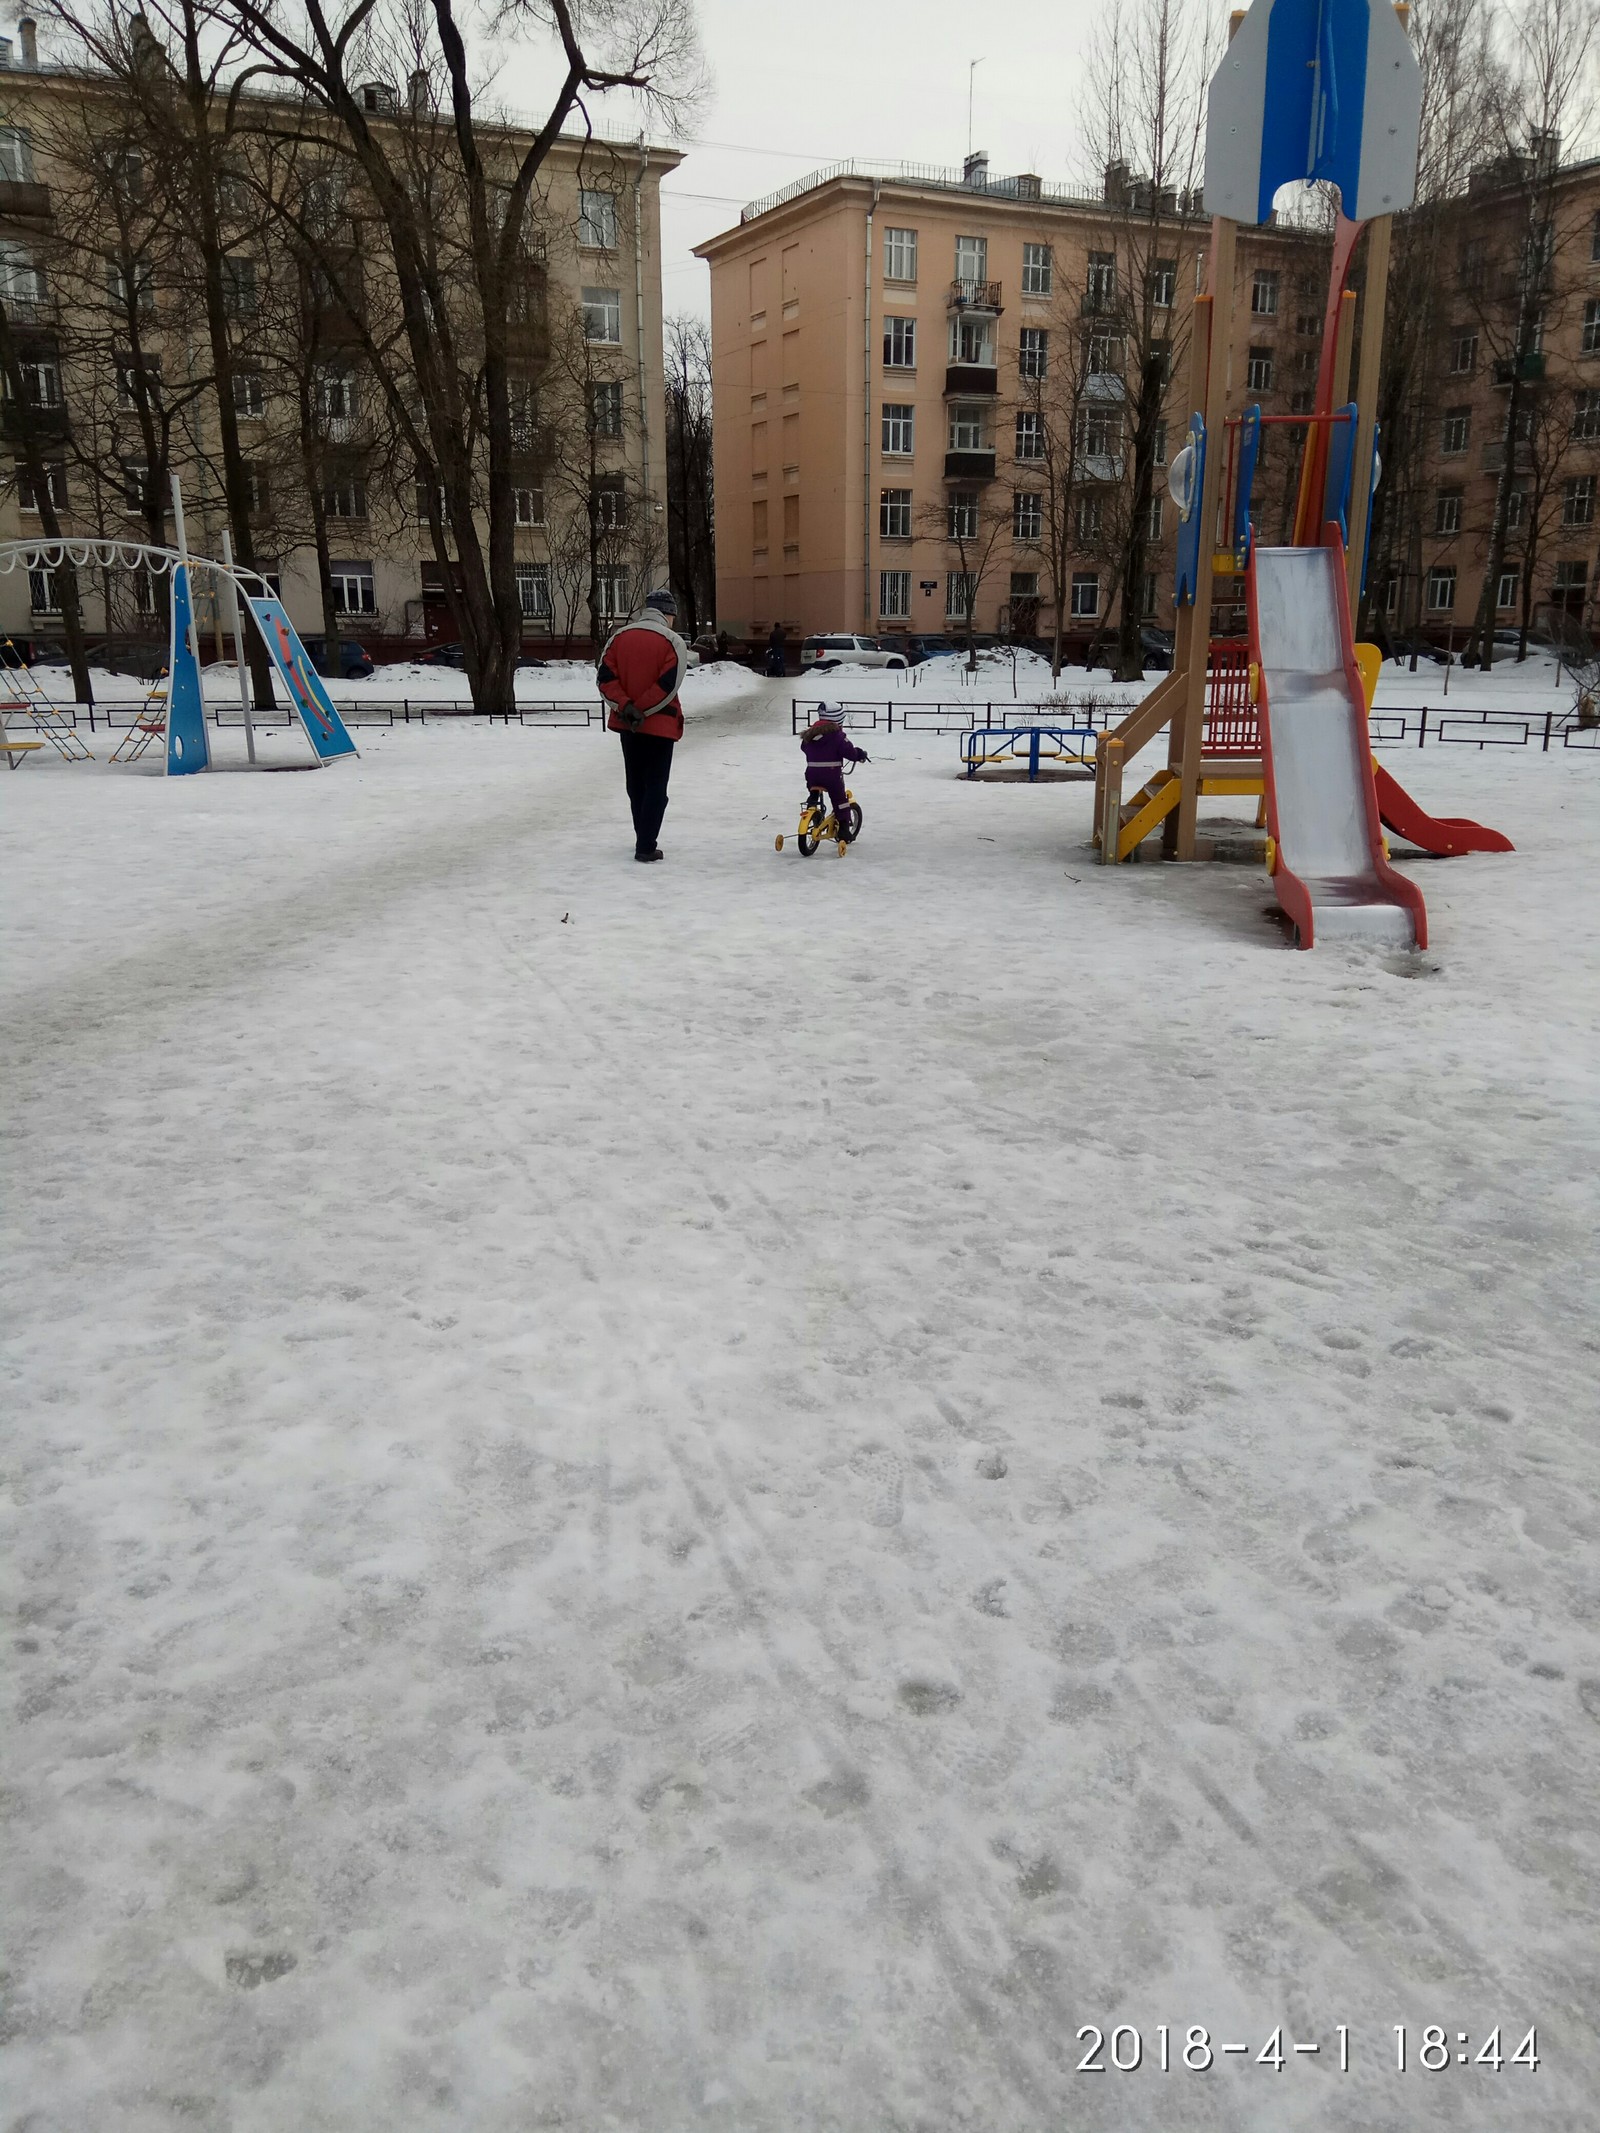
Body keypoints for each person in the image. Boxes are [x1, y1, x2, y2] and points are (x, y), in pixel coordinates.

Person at [597, 588, 689, 862]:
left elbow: (605, 678)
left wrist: (626, 707)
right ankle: (646, 845)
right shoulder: (673, 641)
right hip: (659, 726)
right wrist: (643, 709)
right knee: (656, 786)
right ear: (668, 614)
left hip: (628, 725)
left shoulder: (619, 637)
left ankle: (642, 835)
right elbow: (668, 684)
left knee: (635, 783)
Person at [799, 704, 868, 828]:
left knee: (814, 785)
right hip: (831, 776)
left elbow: (804, 747)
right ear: (838, 720)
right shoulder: (837, 737)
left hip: (812, 775)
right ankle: (844, 828)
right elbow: (849, 752)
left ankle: (813, 800)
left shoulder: (809, 736)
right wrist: (859, 754)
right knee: (840, 800)